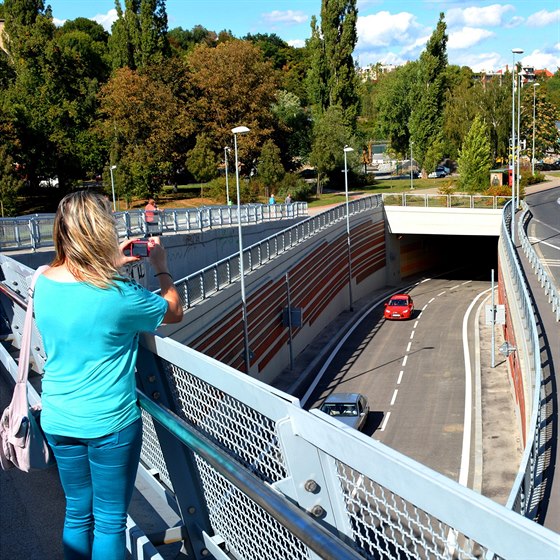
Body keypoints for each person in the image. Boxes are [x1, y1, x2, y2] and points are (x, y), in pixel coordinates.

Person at [33, 191, 183, 560]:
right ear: (101, 232)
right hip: (109, 423)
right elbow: (174, 310)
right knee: (110, 520)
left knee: (77, 511)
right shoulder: (119, 294)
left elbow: (81, 287)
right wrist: (160, 265)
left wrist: (111, 261)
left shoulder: (43, 281)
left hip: (58, 416)